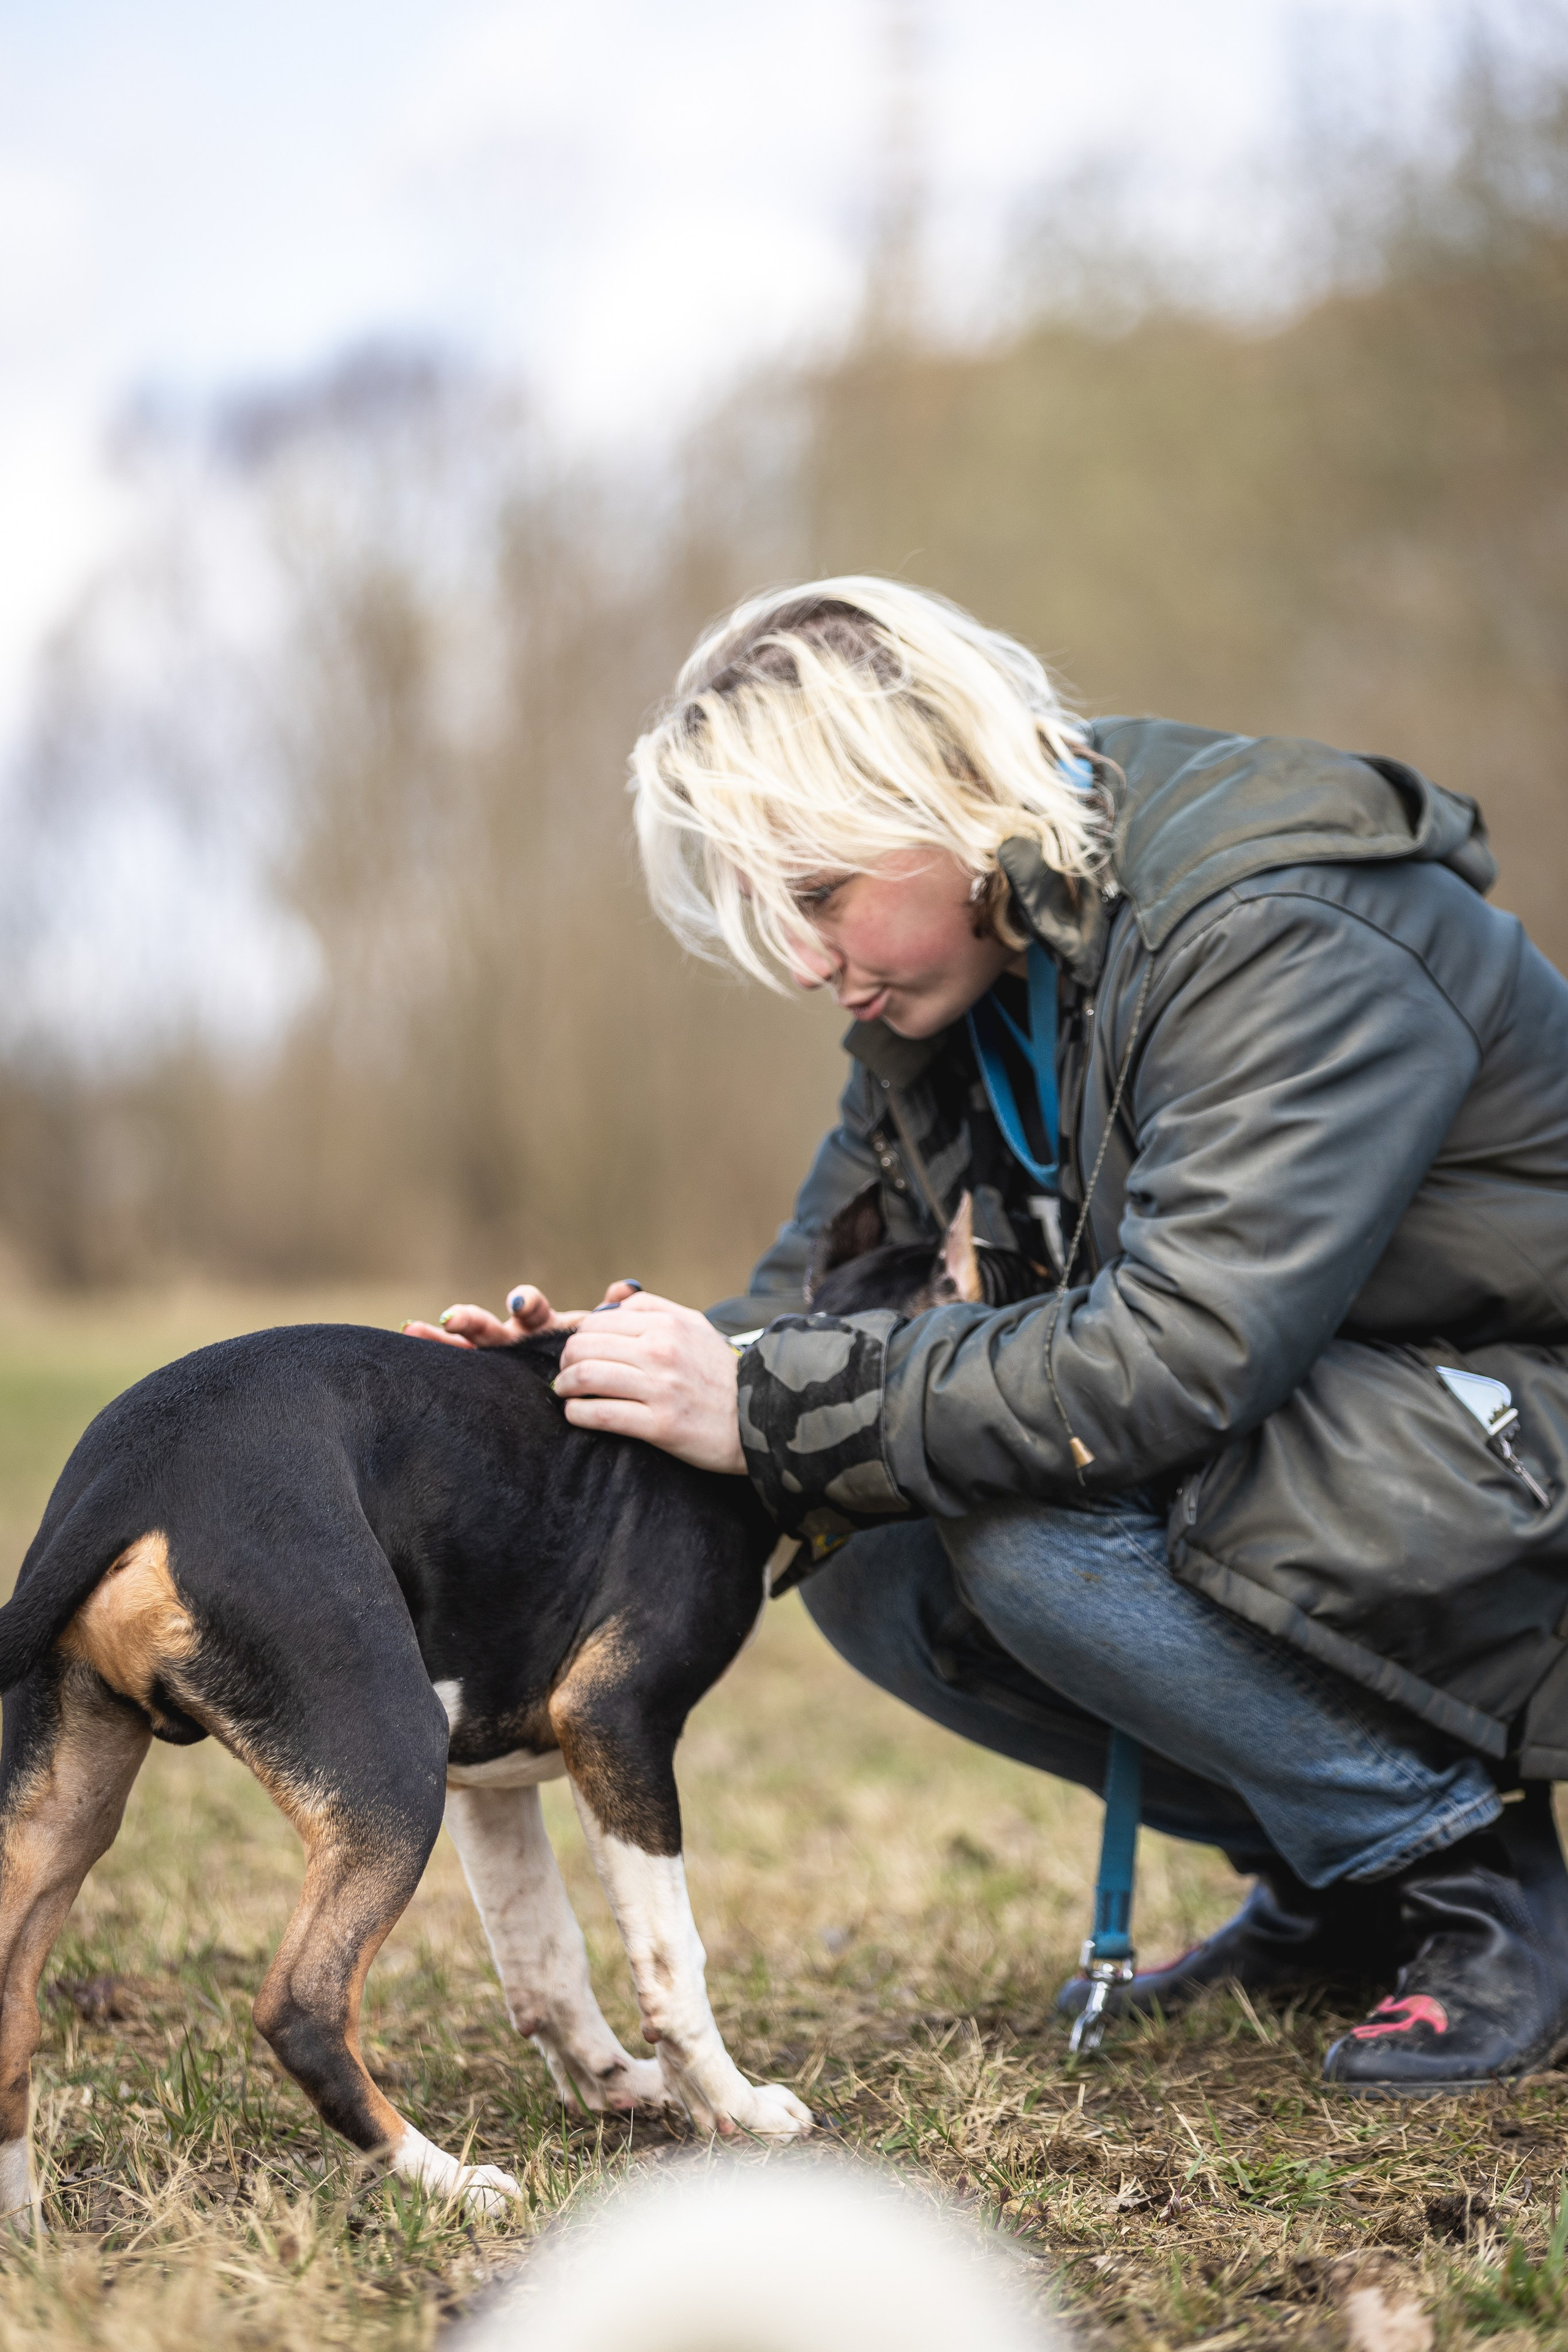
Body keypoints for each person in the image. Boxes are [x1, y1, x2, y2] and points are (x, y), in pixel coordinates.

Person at [409, 576, 1568, 2094]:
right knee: (872, 1549)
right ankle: (1331, 1885)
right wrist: (565, 1391)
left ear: (947, 785)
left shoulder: (1270, 924)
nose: (806, 960)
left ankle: (1471, 1884)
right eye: (769, 911)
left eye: (818, 894)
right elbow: (809, 1317)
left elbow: (1175, 1355)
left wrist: (762, 1403)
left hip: (1513, 1433)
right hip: (1351, 1449)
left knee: (1015, 1504)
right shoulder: (951, 991)